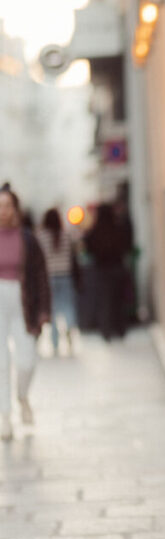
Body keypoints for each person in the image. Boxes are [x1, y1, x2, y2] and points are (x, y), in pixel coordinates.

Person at [0, 184, 51, 440]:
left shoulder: (28, 239)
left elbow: (41, 275)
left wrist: (43, 310)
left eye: (7, 205)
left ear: (15, 208)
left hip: (23, 303)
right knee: (1, 362)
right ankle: (4, 417)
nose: (3, 211)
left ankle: (22, 396)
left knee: (27, 360)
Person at [83, 203, 130, 340]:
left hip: (102, 270)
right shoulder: (118, 228)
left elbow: (88, 247)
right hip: (117, 268)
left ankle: (106, 330)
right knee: (118, 300)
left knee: (104, 301)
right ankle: (120, 329)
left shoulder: (95, 231)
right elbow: (127, 245)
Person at [36, 208, 79, 354]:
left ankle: (54, 342)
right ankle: (70, 329)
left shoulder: (41, 237)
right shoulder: (66, 235)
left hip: (49, 277)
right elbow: (73, 255)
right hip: (65, 276)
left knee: (52, 310)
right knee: (68, 307)